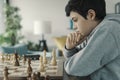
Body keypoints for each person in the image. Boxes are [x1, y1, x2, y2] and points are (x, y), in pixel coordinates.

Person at [63, 0, 120, 80]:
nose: (74, 27)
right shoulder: (95, 30)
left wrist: (70, 53)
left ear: (91, 15)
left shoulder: (108, 30)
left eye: (75, 20)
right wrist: (70, 48)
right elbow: (75, 63)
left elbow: (73, 68)